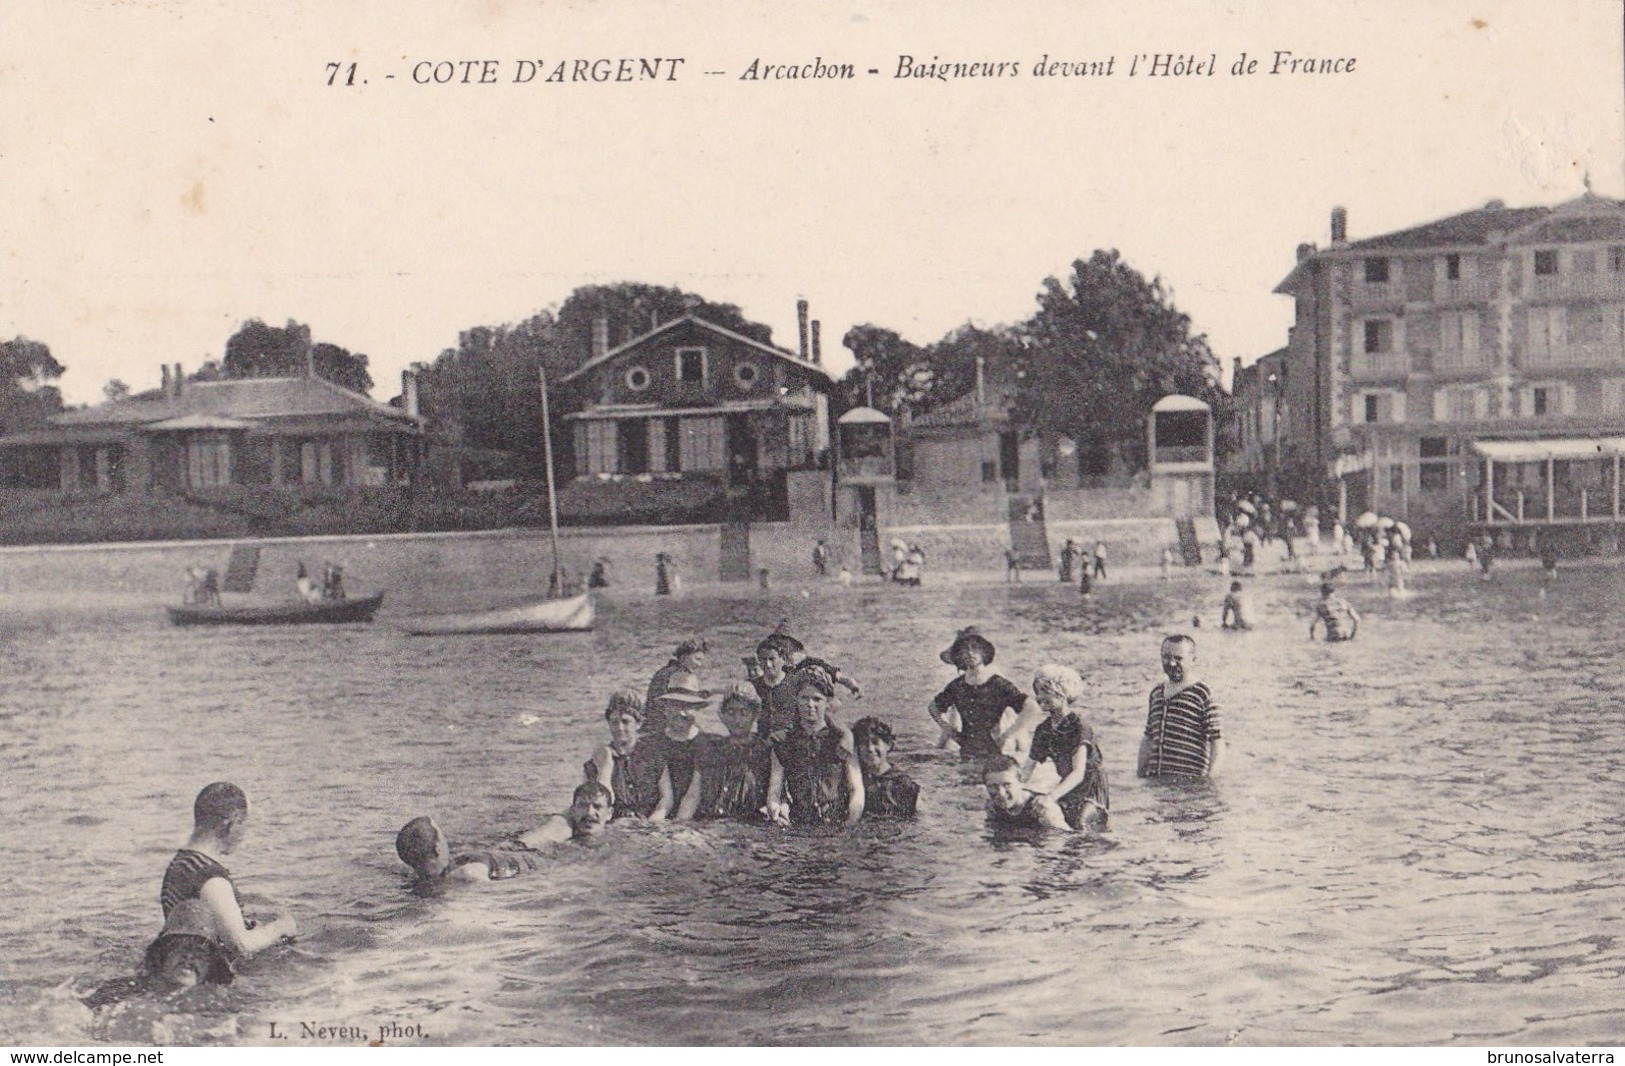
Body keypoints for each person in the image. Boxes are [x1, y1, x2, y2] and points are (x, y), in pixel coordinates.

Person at [148, 783, 297, 988]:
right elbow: (241, 945)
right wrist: (281, 927)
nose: (244, 835)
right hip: (208, 981)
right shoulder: (210, 878)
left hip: (183, 969)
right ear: (229, 825)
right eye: (244, 825)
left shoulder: (180, 863)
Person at [766, 667, 864, 827]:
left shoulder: (843, 741)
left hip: (838, 822)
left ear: (828, 702)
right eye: (804, 698)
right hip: (799, 822)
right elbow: (774, 790)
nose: (810, 705)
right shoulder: (784, 743)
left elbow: (856, 789)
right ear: (795, 700)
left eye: (817, 699)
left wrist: (850, 824)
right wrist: (776, 813)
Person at [926, 627, 1038, 760]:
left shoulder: (998, 683)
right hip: (967, 750)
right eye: (965, 650)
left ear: (984, 653)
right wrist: (952, 733)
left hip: (996, 750)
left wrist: (1008, 736)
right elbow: (934, 707)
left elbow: (1032, 708)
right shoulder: (957, 685)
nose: (970, 653)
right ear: (959, 655)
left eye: (975, 649)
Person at [1021, 665, 1108, 831]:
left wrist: (1051, 796)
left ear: (1064, 692)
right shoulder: (1043, 729)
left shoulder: (1079, 727)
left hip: (1090, 787)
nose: (1039, 697)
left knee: (1079, 823)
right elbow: (1027, 770)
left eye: (1046, 691)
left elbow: (1078, 773)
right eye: (1038, 691)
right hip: (1067, 786)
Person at [1137, 635, 1224, 779]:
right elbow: (1148, 737)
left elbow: (1217, 741)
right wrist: (1140, 774)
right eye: (1166, 657)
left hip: (1189, 783)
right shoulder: (1157, 693)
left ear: (1193, 660)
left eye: (1178, 658)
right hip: (1156, 782)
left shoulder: (1203, 694)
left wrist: (1210, 780)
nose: (1171, 663)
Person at [690, 683, 773, 822]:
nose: (737, 719)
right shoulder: (712, 748)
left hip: (749, 825)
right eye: (731, 712)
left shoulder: (765, 751)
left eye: (743, 713)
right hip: (710, 823)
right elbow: (693, 795)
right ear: (722, 715)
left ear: (755, 715)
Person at [583, 689, 665, 821]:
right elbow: (601, 804)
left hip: (651, 823)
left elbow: (666, 800)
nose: (619, 728)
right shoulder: (597, 761)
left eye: (625, 722)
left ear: (638, 724)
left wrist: (652, 824)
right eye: (614, 722)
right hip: (615, 824)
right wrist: (606, 766)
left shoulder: (654, 757)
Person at [646, 672, 714, 821]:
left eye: (688, 706)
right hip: (658, 813)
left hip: (695, 818)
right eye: (676, 705)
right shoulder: (654, 743)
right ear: (666, 708)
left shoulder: (707, 744)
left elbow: (694, 796)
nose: (682, 713)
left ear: (697, 709)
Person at [851, 716, 919, 819]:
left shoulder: (901, 782)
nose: (870, 748)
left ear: (888, 745)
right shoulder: (856, 779)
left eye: (875, 742)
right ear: (857, 749)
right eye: (864, 743)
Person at [983, 755, 1070, 831]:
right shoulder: (992, 807)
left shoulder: (1043, 809)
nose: (1001, 793)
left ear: (1021, 781)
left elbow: (1066, 837)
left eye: (1007, 785)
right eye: (993, 786)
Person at [645, 638, 708, 734]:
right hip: (661, 725)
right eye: (697, 659)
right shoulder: (674, 675)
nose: (699, 665)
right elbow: (657, 706)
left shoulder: (670, 671)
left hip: (664, 720)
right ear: (684, 657)